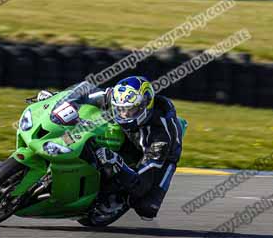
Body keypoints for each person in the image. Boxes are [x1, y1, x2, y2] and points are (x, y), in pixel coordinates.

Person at [37, 75, 184, 222]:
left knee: (146, 207)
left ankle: (117, 198)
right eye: (120, 109)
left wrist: (117, 162)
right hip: (126, 133)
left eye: (130, 110)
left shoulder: (160, 137)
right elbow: (84, 91)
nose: (124, 114)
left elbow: (142, 185)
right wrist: (55, 100)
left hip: (161, 153)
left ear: (145, 105)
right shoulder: (116, 98)